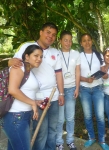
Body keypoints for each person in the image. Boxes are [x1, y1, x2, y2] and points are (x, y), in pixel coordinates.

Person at [8, 22, 64, 150]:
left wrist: (61, 93)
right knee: (40, 131)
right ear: (41, 32)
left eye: (54, 35)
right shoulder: (27, 47)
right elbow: (14, 64)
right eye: (48, 32)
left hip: (54, 96)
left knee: (52, 129)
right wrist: (10, 61)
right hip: (37, 98)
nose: (50, 36)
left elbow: (59, 74)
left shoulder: (55, 52)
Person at [2, 45, 43, 150]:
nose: (39, 59)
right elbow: (13, 90)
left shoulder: (29, 71)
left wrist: (35, 102)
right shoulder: (19, 67)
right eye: (36, 56)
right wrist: (32, 103)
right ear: (27, 56)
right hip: (15, 118)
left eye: (41, 57)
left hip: (22, 117)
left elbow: (23, 93)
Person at [79, 33, 109, 150]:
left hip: (98, 88)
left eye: (89, 40)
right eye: (84, 41)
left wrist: (104, 74)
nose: (87, 43)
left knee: (100, 116)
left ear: (92, 41)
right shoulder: (79, 56)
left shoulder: (98, 55)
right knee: (87, 116)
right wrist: (86, 79)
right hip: (84, 89)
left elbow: (103, 72)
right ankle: (91, 138)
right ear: (81, 43)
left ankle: (102, 140)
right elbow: (76, 75)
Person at [55, 31, 80, 150]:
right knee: (60, 119)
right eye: (65, 40)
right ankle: (59, 141)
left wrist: (77, 88)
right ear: (60, 41)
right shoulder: (56, 53)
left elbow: (78, 71)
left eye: (70, 40)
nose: (68, 43)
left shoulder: (76, 54)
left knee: (70, 117)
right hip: (59, 90)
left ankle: (70, 140)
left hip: (71, 89)